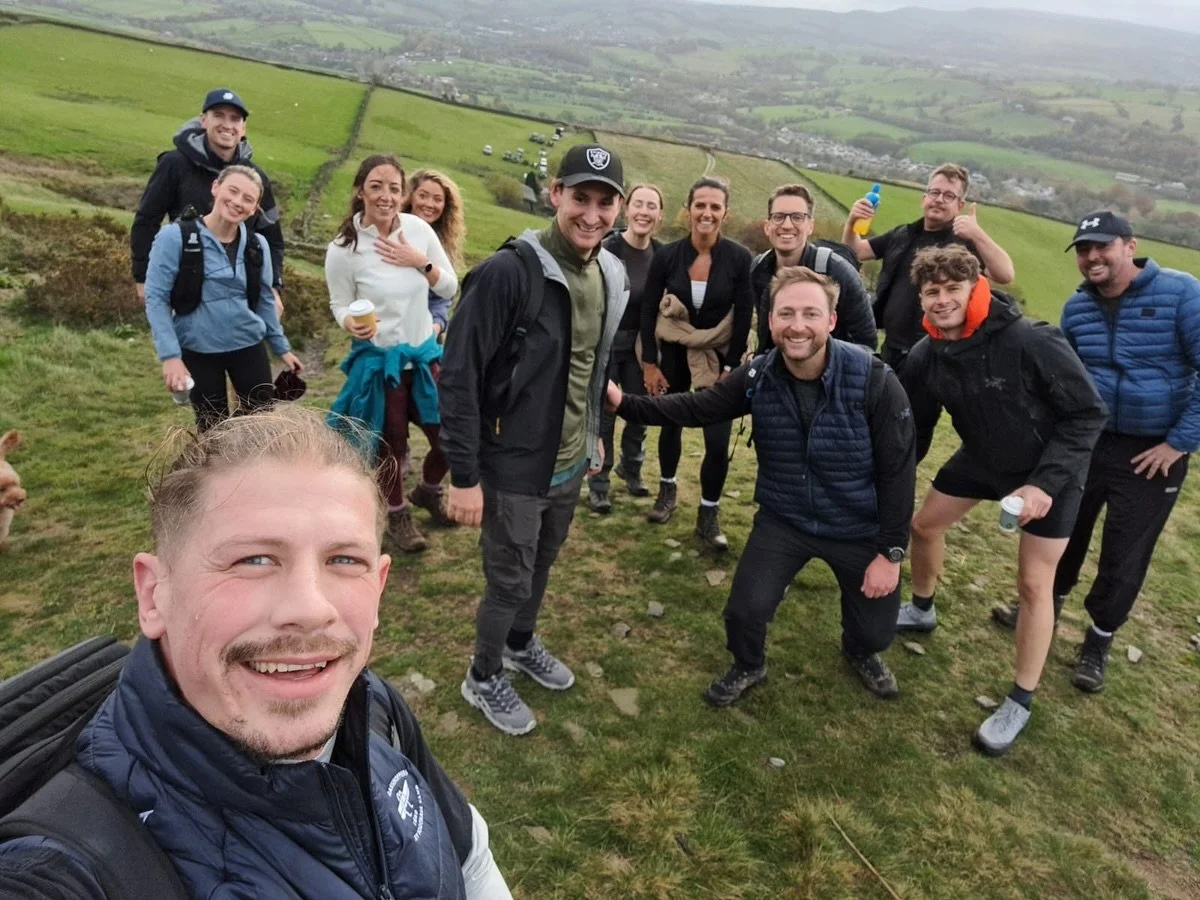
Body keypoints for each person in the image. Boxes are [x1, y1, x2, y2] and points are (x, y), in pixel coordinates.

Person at [0, 406, 511, 898]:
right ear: (153, 594)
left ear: (378, 587)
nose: (310, 609)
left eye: (343, 559)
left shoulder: (374, 706)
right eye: (255, 559)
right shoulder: (70, 865)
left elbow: (469, 854)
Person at [612, 266, 915, 702]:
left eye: (810, 314)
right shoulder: (759, 376)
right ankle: (749, 664)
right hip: (785, 518)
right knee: (743, 611)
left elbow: (898, 472)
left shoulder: (875, 380)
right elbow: (698, 408)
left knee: (876, 630)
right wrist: (625, 403)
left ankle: (860, 648)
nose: (797, 326)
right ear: (769, 320)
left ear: (831, 320)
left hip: (856, 524)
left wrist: (890, 552)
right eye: (786, 313)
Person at [439, 143, 629, 736]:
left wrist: (595, 436)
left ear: (618, 208)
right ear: (556, 195)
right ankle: (483, 673)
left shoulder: (610, 273)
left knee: (541, 563)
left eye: (604, 202)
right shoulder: (508, 273)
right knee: (509, 579)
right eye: (580, 198)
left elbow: (591, 368)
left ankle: (521, 644)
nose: (591, 214)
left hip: (569, 460)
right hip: (511, 465)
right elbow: (460, 376)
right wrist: (465, 477)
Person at [896, 245, 1106, 756]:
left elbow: (1087, 415)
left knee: (1035, 585)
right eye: (932, 291)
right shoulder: (927, 354)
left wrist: (1042, 485)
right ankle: (922, 608)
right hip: (982, 459)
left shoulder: (1030, 340)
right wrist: (891, 476)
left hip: (1049, 471)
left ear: (974, 287)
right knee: (923, 526)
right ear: (921, 298)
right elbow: (910, 428)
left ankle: (1020, 700)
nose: (942, 299)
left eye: (952, 289)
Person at [992, 211, 1200, 693]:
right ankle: (1046, 605)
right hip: (1087, 441)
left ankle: (1099, 638)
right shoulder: (1078, 308)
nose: (1091, 257)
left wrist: (1178, 442)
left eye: (1102, 246)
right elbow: (1065, 381)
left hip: (1153, 451)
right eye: (1083, 249)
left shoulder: (1181, 294)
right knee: (1065, 532)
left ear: (1130, 245)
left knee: (1125, 551)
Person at [325, 155, 458, 553]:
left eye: (394, 188)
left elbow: (448, 287)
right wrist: (350, 322)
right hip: (381, 361)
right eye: (377, 186)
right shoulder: (344, 248)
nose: (386, 195)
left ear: (403, 194)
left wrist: (422, 263)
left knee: (452, 438)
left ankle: (429, 490)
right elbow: (339, 303)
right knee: (390, 446)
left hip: (424, 356)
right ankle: (397, 513)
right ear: (360, 190)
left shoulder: (418, 230)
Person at [639, 176, 755, 550]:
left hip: (718, 356)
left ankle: (709, 514)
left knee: (717, 440)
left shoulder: (739, 258)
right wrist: (649, 364)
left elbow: (743, 314)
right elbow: (647, 309)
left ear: (725, 213)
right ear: (688, 210)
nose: (706, 213)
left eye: (715, 206)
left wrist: (730, 366)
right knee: (670, 424)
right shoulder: (667, 256)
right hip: (672, 351)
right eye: (700, 205)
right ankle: (667, 492)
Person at [144, 165, 302, 433]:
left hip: (248, 345)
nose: (238, 202)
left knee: (261, 424)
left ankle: (256, 475)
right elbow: (156, 298)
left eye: (248, 199)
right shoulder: (174, 237)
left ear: (254, 208)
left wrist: (281, 347)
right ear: (216, 188)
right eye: (233, 191)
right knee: (213, 429)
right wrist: (170, 356)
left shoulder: (257, 245)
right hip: (198, 349)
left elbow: (265, 298)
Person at [841, 163, 1015, 372]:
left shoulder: (964, 243)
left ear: (960, 206)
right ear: (924, 198)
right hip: (891, 348)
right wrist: (851, 223)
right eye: (935, 192)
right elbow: (855, 252)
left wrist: (977, 234)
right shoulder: (903, 235)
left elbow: (1005, 274)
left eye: (949, 195)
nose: (939, 199)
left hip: (932, 355)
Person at [132, 88, 285, 320]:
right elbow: (146, 221)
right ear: (204, 120)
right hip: (184, 284)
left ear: (243, 129)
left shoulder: (255, 178)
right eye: (219, 116)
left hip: (241, 289)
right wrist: (143, 277)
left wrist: (273, 287)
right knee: (187, 352)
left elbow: (272, 238)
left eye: (235, 119)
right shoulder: (174, 164)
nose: (227, 124)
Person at [588, 183, 666, 513]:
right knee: (604, 416)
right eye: (638, 204)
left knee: (639, 412)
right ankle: (599, 482)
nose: (644, 212)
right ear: (626, 208)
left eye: (652, 206)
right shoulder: (605, 248)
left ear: (660, 216)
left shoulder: (662, 256)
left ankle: (631, 469)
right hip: (604, 344)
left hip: (639, 347)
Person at [753, 184, 876, 352]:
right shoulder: (758, 270)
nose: (787, 225)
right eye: (778, 216)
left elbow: (866, 343)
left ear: (810, 226)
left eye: (797, 217)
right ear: (767, 226)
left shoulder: (838, 273)